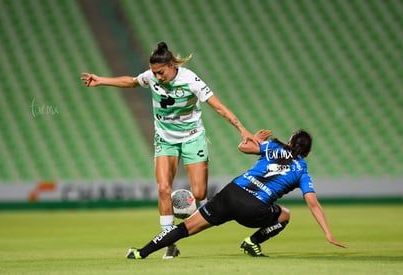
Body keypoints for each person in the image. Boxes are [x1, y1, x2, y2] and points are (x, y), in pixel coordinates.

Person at [81, 42, 257, 258]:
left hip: (193, 138)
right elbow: (132, 81)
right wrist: (102, 80)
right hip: (165, 138)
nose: (158, 77)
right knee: (164, 188)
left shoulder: (191, 80)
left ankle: (186, 208)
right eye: (154, 72)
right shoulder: (152, 76)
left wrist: (241, 128)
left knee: (200, 193)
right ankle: (169, 243)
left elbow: (218, 106)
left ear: (172, 65)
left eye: (161, 72)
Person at [126, 129, 347, 259]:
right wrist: (328, 233)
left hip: (231, 193)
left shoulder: (273, 147)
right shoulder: (302, 171)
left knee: (185, 228)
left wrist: (254, 139)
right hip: (253, 210)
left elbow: (242, 147)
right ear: (307, 152)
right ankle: (252, 242)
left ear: (290, 142)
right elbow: (313, 204)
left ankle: (140, 253)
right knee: (284, 214)